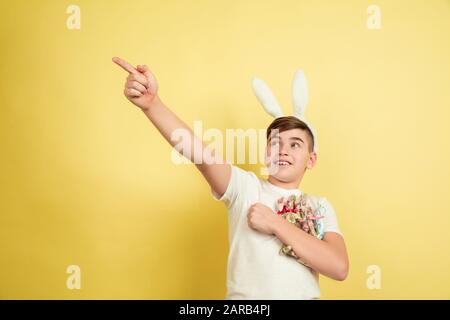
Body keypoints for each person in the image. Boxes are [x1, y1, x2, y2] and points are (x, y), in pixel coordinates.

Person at [112, 56, 349, 299]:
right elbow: (199, 153)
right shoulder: (244, 188)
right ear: (266, 153)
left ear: (311, 160)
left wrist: (275, 223)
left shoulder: (319, 206)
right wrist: (153, 105)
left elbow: (339, 268)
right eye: (275, 143)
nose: (283, 150)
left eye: (295, 144)